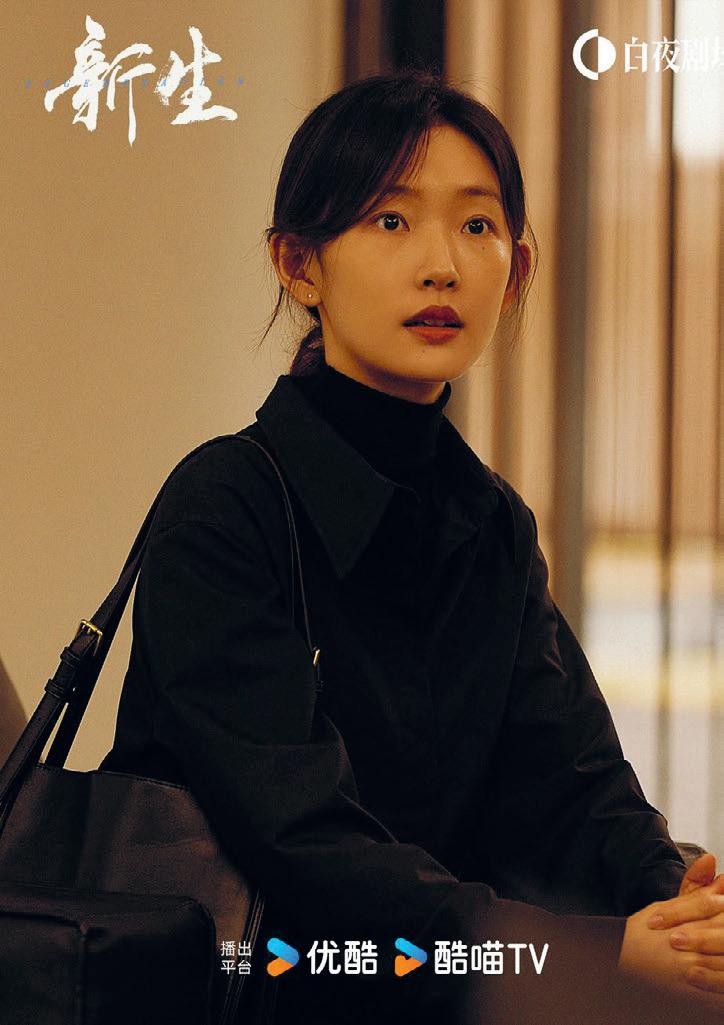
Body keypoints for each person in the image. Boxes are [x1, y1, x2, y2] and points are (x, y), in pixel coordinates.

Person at [99, 70, 724, 1024]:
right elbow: (303, 844)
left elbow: (573, 780)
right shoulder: (227, 504)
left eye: (477, 225)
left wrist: (678, 900)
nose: (442, 265)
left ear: (517, 267)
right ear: (299, 265)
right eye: (391, 220)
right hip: (258, 987)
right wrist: (589, 953)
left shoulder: (491, 521)